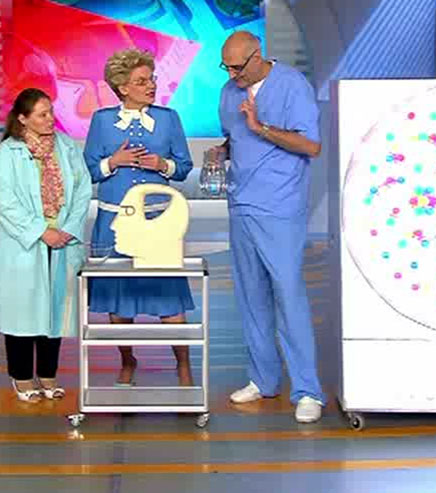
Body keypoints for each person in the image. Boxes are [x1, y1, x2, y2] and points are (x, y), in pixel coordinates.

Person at [217, 31, 326, 422]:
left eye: (238, 67)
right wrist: (221, 151)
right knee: (251, 296)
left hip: (280, 207)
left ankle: (308, 390)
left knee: (288, 294)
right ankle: (262, 379)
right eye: (227, 68)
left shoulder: (292, 85)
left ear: (257, 55)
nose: (232, 75)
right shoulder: (228, 92)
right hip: (241, 204)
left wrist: (260, 126)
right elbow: (235, 140)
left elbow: (311, 145)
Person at [83, 48, 195, 386]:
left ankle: (184, 365)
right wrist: (113, 162)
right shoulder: (102, 121)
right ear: (123, 88)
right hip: (114, 224)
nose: (151, 86)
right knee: (118, 302)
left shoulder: (169, 118)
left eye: (152, 79)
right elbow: (89, 170)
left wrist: (162, 165)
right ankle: (127, 360)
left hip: (156, 225)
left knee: (169, 298)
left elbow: (184, 167)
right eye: (142, 81)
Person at [0, 88, 92, 402]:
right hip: (23, 246)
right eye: (42, 114)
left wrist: (67, 229)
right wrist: (41, 232)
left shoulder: (66, 147)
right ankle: (22, 377)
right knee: (21, 314)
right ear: (22, 119)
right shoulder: (6, 154)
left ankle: (48, 375)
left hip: (62, 241)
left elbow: (82, 189)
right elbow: (6, 204)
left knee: (54, 313)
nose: (50, 119)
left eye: (51, 112)